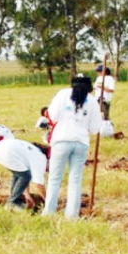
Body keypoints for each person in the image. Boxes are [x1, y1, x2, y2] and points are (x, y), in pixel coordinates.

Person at [41, 75, 102, 219]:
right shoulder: (93, 101)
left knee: (55, 178)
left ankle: (49, 213)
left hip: (61, 140)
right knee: (75, 180)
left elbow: (53, 116)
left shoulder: (63, 94)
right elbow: (95, 128)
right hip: (81, 143)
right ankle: (72, 215)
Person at [0, 138, 47, 211]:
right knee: (25, 176)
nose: (48, 170)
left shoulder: (35, 153)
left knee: (19, 175)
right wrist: (49, 202)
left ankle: (14, 199)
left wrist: (27, 196)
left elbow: (24, 177)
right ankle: (12, 202)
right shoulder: (41, 158)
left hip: (0, 148)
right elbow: (38, 184)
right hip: (7, 151)